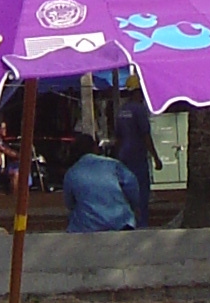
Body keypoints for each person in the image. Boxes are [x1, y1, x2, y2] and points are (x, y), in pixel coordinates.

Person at [60, 135, 139, 233]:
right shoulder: (113, 165)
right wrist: (131, 206)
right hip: (120, 222)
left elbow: (70, 203)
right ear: (95, 148)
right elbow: (132, 186)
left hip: (87, 226)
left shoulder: (72, 172)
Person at [112, 88, 159, 229]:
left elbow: (118, 137)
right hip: (137, 156)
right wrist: (156, 157)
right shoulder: (139, 110)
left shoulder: (121, 111)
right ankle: (141, 223)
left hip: (124, 157)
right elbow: (146, 135)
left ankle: (128, 222)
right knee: (142, 192)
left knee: (125, 190)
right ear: (137, 92)